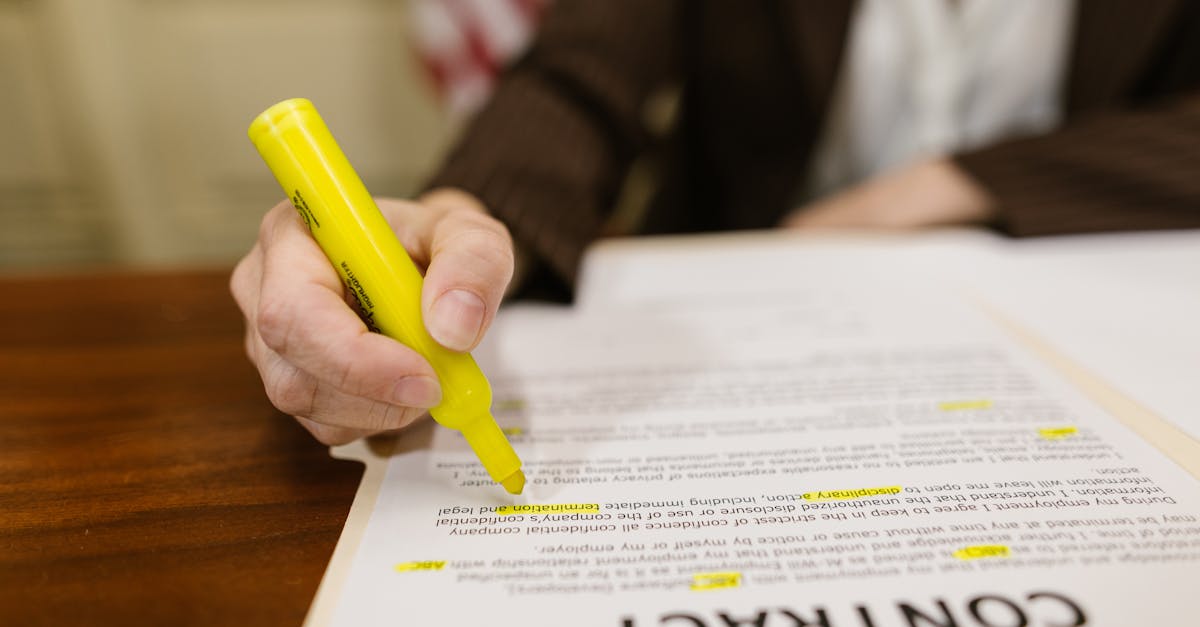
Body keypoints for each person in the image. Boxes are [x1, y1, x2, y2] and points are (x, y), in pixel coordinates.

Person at [230, 0, 1200, 446]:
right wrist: (459, 216)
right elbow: (579, 79)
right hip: (731, 327)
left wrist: (951, 183)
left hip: (1083, 326)